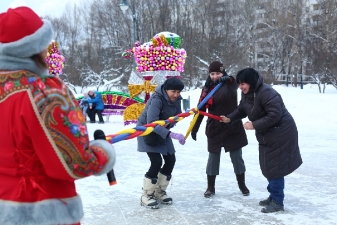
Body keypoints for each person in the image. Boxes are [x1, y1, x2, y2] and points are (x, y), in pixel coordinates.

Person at [0, 7, 116, 225]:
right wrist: (103, 152)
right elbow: (74, 163)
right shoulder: (45, 93)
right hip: (42, 210)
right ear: (36, 47)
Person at [220, 68, 302, 213]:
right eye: (239, 83)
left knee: (275, 167)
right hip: (267, 134)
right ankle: (273, 196)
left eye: (243, 83)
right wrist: (230, 118)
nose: (241, 86)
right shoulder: (247, 94)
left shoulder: (267, 93)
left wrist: (254, 125)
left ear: (251, 82)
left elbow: (274, 115)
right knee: (268, 165)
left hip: (281, 132)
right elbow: (241, 110)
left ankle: (277, 201)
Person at [191, 61, 250, 198]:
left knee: (237, 158)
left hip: (231, 126)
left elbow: (235, 83)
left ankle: (242, 184)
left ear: (223, 73)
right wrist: (195, 128)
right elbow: (200, 109)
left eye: (218, 73)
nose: (215, 76)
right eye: (212, 73)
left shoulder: (229, 85)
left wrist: (228, 79)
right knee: (213, 159)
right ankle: (210, 187)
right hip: (214, 128)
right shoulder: (207, 89)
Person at [137, 77, 186, 209]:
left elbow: (177, 116)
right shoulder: (157, 99)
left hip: (163, 132)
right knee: (156, 162)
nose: (176, 95)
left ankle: (159, 191)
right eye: (173, 91)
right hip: (148, 132)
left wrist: (176, 119)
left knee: (171, 160)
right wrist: (171, 134)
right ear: (166, 90)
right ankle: (146, 195)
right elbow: (152, 123)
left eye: (178, 92)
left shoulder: (177, 99)